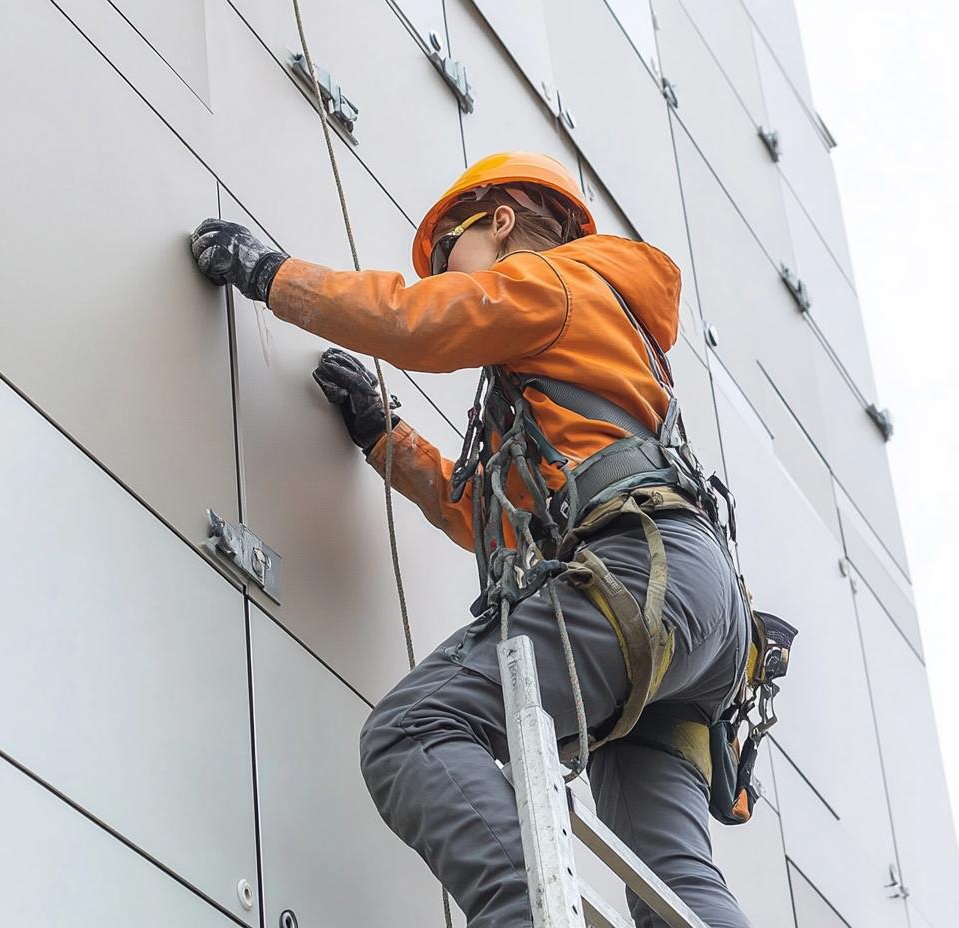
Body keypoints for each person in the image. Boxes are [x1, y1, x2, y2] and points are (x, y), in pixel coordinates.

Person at [190, 151, 753, 928]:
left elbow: (418, 321)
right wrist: (386, 438)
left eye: (448, 253)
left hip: (640, 572)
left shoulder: (556, 281)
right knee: (674, 883)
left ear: (500, 221)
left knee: (411, 731)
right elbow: (477, 516)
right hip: (688, 607)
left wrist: (274, 277)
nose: (443, 275)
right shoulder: (602, 346)